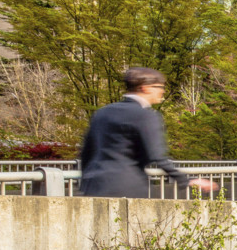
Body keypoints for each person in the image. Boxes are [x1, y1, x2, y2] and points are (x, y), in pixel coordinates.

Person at [78, 67, 217, 198]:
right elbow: (157, 156)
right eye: (159, 87)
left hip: (93, 187)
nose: (162, 91)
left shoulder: (102, 112)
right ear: (145, 88)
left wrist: (85, 181)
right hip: (127, 187)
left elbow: (87, 152)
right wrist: (187, 180)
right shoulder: (146, 115)